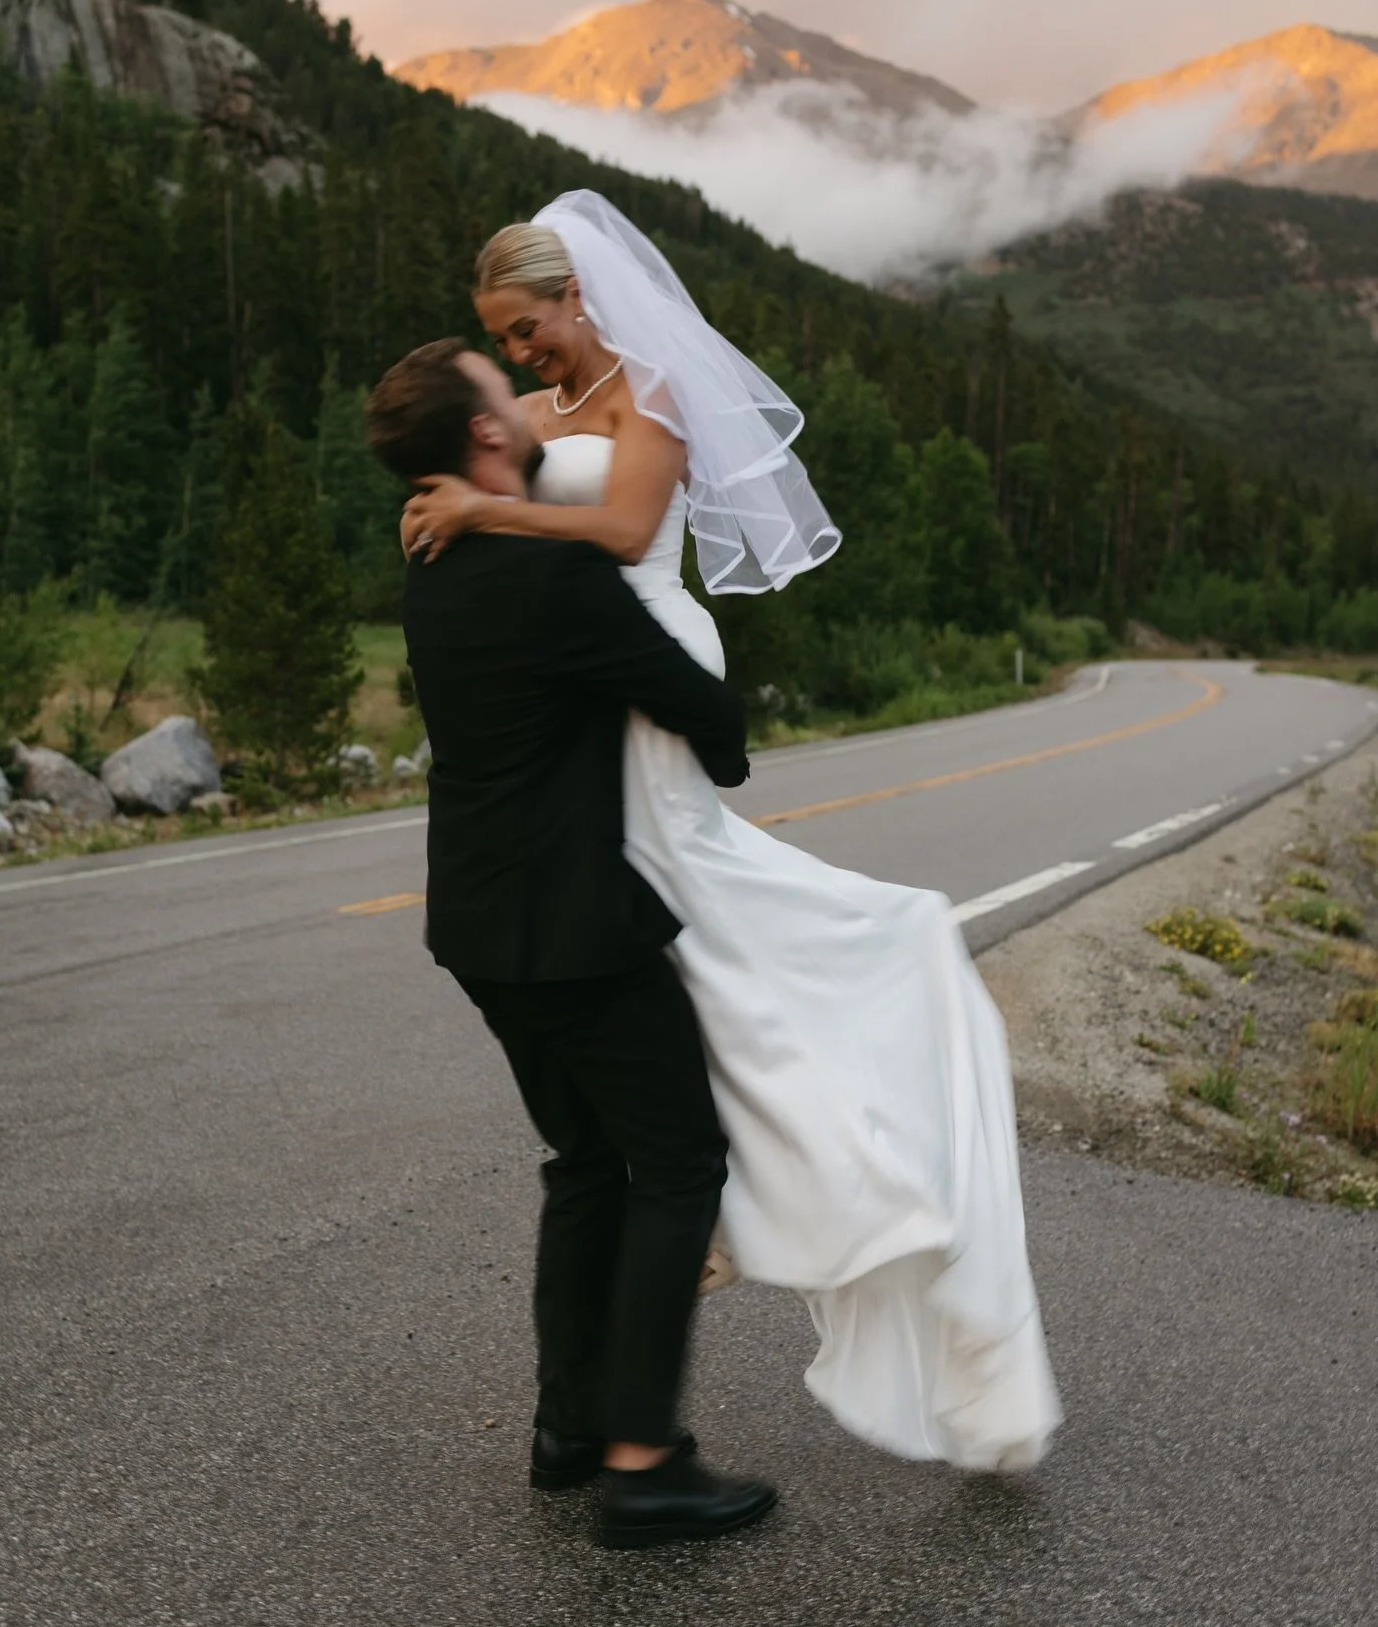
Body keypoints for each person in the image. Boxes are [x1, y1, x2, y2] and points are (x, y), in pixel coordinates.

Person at [398, 191, 1062, 1473]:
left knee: (684, 900)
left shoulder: (652, 399)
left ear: (579, 295)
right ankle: (715, 1186)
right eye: (502, 338)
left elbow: (623, 532)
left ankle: (764, 1169)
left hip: (645, 655)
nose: (521, 353)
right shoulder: (525, 418)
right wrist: (443, 509)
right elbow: (484, 498)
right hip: (582, 684)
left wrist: (486, 515)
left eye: (528, 326)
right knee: (646, 935)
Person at [366, 339, 778, 1549]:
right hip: (578, 929)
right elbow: (699, 705)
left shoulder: (435, 558)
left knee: (587, 1158)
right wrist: (717, 760)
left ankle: (568, 1427)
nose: (524, 396)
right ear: (487, 434)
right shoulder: (552, 575)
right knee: (679, 1163)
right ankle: (645, 1463)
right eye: (503, 388)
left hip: (477, 923)